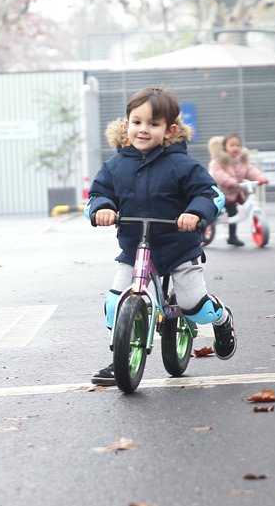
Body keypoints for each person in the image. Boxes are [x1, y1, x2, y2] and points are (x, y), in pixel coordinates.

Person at [85, 87, 237, 385]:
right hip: (134, 248)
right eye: (137, 122)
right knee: (116, 303)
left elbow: (211, 194)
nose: (143, 130)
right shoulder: (115, 166)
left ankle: (222, 319)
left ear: (169, 131)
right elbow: (97, 195)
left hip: (178, 248)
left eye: (153, 124)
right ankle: (121, 359)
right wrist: (102, 208)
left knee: (193, 306)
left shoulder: (182, 165)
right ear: (126, 124)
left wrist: (194, 213)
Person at [207, 133, 270, 246]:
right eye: (232, 145)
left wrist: (260, 178)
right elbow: (217, 174)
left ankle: (232, 237)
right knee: (214, 213)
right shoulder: (218, 161)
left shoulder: (241, 161)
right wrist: (231, 182)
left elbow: (250, 170)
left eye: (238, 145)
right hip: (218, 193)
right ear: (224, 147)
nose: (235, 147)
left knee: (233, 213)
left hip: (232, 194)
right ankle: (205, 227)